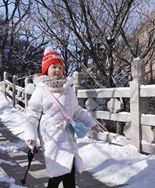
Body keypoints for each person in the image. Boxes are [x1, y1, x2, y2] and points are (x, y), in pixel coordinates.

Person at [24, 46, 102, 188]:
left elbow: (77, 111)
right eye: (54, 67)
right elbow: (32, 115)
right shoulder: (40, 91)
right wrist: (31, 135)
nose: (58, 70)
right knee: (58, 173)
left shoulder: (68, 90)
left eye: (60, 67)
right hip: (52, 139)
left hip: (68, 136)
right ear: (46, 69)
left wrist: (91, 124)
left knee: (69, 170)